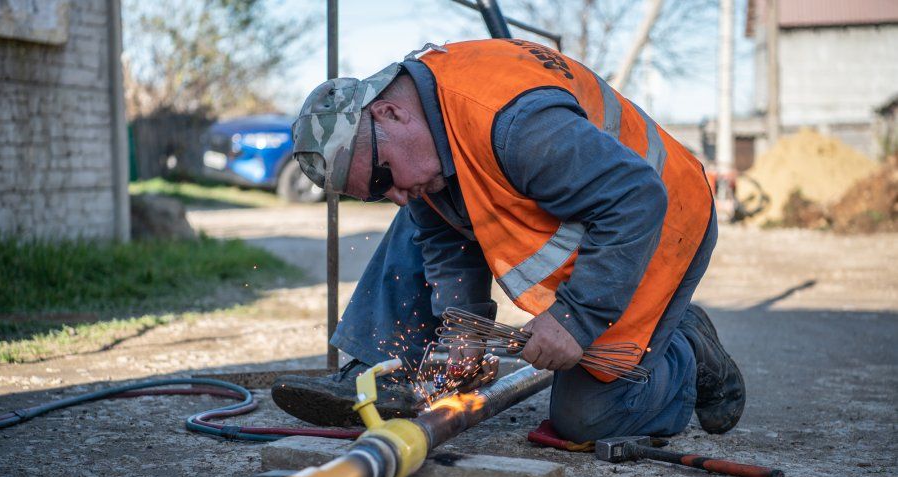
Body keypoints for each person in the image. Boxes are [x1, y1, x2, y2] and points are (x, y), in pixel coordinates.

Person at [273, 39, 745, 442]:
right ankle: (382, 371)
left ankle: (687, 345)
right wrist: (463, 326)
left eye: (382, 177)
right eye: (377, 194)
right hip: (600, 212)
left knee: (588, 420)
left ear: (390, 113)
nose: (393, 195)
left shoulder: (516, 125)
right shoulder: (425, 130)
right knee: (417, 204)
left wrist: (575, 320)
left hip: (662, 226)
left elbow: (636, 198)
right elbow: (442, 232)